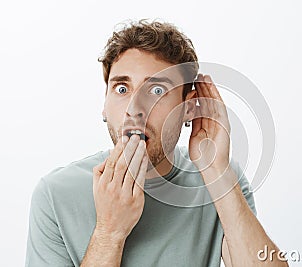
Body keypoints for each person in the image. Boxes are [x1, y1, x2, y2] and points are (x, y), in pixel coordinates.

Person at [25, 20, 287, 267]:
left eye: (157, 90)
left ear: (187, 108)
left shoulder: (219, 179)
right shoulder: (54, 194)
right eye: (122, 89)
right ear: (104, 104)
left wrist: (217, 172)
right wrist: (109, 231)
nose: (134, 109)